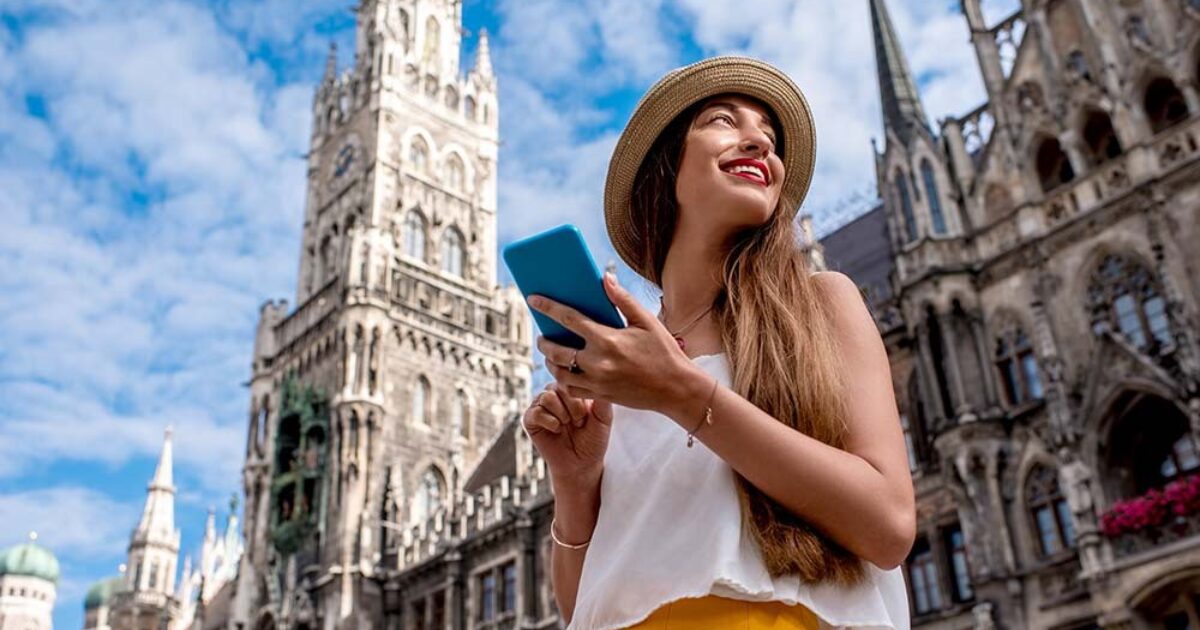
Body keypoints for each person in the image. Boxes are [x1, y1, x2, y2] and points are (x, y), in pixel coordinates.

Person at [521, 56, 915, 630]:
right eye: (724, 120)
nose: (758, 141)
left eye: (770, 136)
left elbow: (889, 525)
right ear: (666, 169)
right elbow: (586, 607)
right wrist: (576, 483)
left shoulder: (823, 304)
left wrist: (681, 392)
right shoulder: (621, 367)